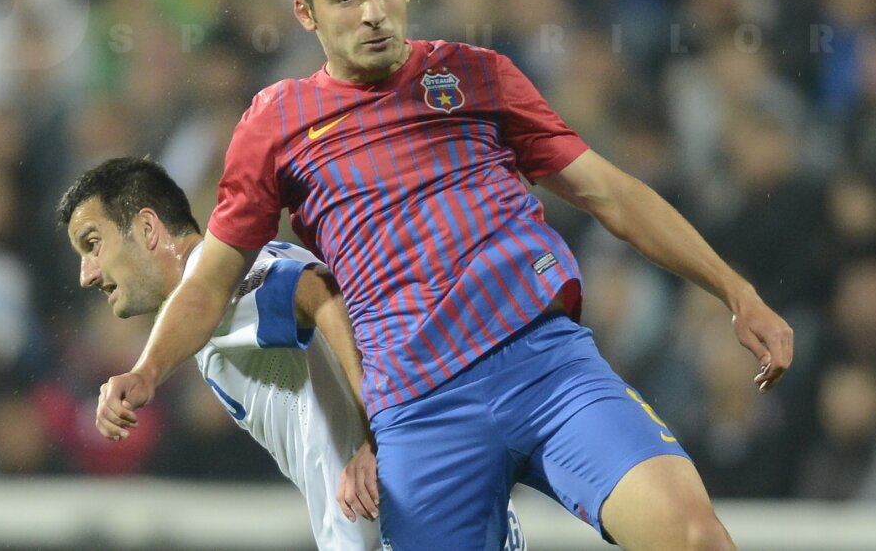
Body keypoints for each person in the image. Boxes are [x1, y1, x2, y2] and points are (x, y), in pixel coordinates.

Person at [95, 0, 794, 550]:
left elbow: (608, 193)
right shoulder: (276, 124)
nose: (372, 13)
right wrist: (147, 369)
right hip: (419, 415)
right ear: (307, 14)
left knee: (695, 538)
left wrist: (735, 291)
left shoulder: (474, 75)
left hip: (546, 366)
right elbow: (212, 278)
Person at [59, 155, 526, 551]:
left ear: (147, 228)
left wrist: (381, 430)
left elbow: (315, 292)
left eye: (93, 244)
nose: (87, 273)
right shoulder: (231, 283)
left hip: (411, 525)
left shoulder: (216, 284)